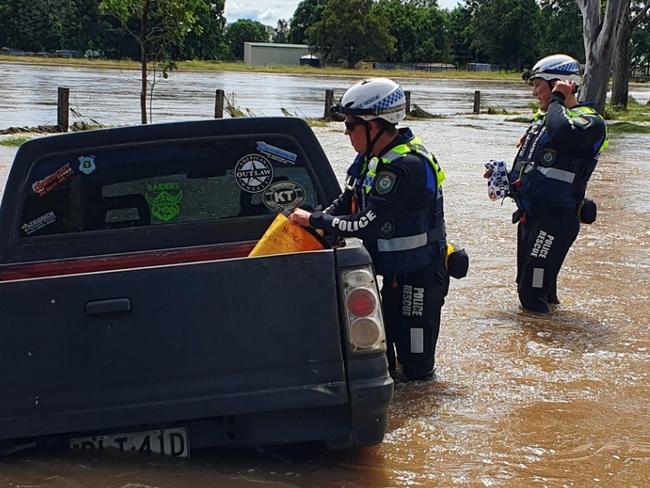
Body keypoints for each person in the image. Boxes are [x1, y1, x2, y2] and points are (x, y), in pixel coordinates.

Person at [289, 77, 449, 381]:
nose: (346, 132)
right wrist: (313, 218)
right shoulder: (369, 159)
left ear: (374, 126)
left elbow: (367, 222)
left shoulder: (406, 166)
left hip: (419, 276)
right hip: (391, 275)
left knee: (417, 371)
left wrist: (316, 222)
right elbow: (347, 200)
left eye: (351, 125)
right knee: (382, 359)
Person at [492, 54, 608, 314]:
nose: (535, 92)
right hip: (531, 215)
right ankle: (551, 331)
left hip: (556, 218)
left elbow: (563, 134)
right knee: (535, 287)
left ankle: (538, 348)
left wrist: (557, 99)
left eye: (539, 85)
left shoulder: (589, 121)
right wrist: (504, 179)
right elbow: (537, 168)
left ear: (559, 84)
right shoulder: (543, 121)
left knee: (530, 293)